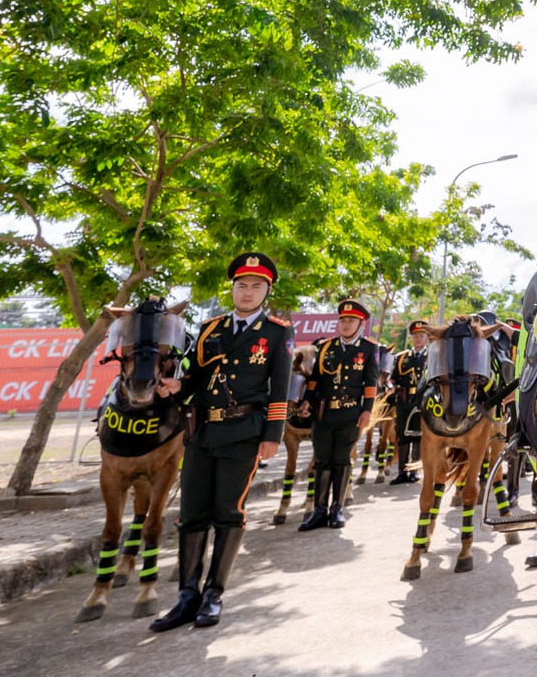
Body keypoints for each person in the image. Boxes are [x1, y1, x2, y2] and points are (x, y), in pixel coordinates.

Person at [150, 252, 292, 632]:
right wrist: (177, 385)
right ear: (232, 288)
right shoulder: (211, 329)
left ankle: (213, 594)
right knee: (192, 512)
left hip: (244, 432)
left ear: (266, 291)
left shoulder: (277, 332)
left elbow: (279, 388)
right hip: (202, 433)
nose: (247, 292)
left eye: (256, 287)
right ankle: (186, 596)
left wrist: (272, 435)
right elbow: (195, 378)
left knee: (228, 511)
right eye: (241, 285)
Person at [297, 298, 379, 530]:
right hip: (323, 414)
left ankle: (337, 509)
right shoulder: (325, 347)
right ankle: (319, 510)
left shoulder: (368, 348)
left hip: (350, 413)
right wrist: (306, 402)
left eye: (351, 320)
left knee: (342, 460)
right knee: (322, 460)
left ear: (360, 323)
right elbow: (315, 380)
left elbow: (370, 384)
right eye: (343, 320)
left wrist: (366, 411)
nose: (345, 324)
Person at [389, 319, 428, 486]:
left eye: (421, 335)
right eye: (415, 336)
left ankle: (414, 471)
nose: (418, 338)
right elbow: (392, 379)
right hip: (404, 400)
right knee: (403, 436)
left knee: (419, 436)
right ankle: (402, 472)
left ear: (427, 337)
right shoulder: (401, 357)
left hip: (424, 400)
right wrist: (392, 389)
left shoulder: (433, 356)